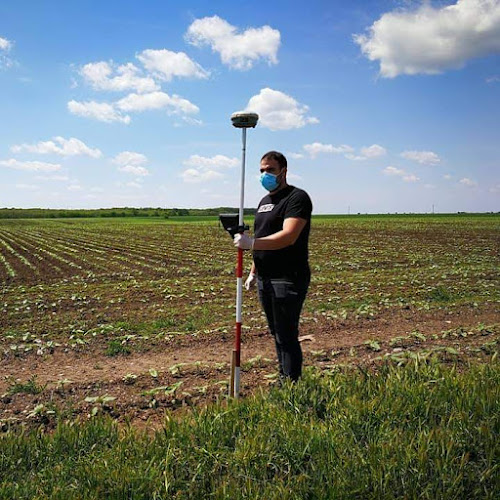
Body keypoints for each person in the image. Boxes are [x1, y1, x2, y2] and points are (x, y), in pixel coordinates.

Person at [234, 151, 312, 382]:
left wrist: (251, 243)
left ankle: (290, 384)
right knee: (277, 333)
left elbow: (289, 236)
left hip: (287, 277)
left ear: (283, 171)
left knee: (286, 335)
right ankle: (285, 378)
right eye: (261, 170)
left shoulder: (297, 198)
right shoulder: (264, 202)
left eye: (270, 170)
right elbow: (263, 237)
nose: (265, 175)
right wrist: (252, 272)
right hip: (265, 278)